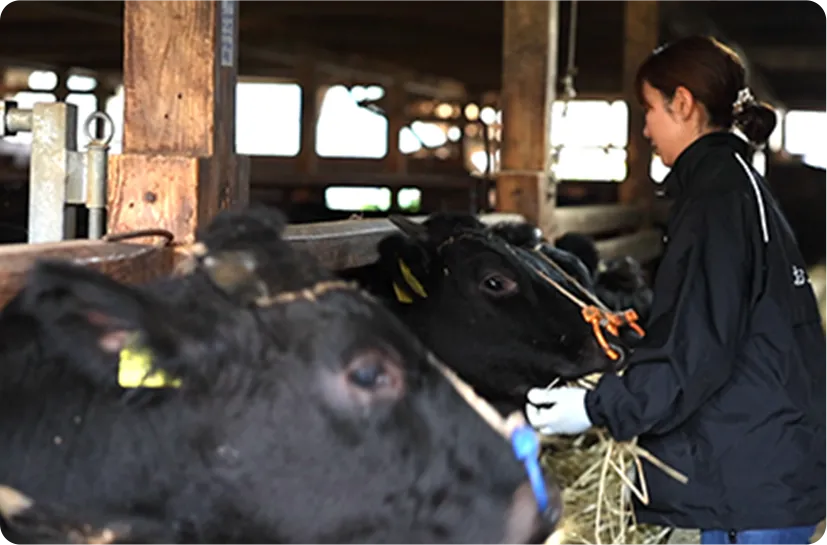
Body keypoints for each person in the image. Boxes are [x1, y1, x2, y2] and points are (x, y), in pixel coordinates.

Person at [525, 35, 827, 545]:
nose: (645, 129)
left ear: (682, 104)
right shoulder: (735, 183)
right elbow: (713, 323)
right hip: (767, 462)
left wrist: (598, 407)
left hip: (749, 477)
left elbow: (698, 349)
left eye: (649, 110)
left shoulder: (715, 199)